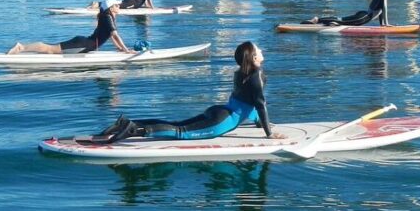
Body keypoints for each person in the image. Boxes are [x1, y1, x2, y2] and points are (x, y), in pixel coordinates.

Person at [97, 41, 286, 143]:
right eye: (258, 49)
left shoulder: (240, 73)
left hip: (219, 111)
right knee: (181, 132)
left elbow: (249, 104)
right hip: (222, 121)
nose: (262, 50)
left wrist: (260, 124)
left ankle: (126, 123)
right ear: (254, 57)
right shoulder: (257, 74)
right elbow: (259, 104)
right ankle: (134, 129)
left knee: (176, 124)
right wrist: (269, 134)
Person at [7, 0, 135, 54]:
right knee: (50, 50)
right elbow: (115, 35)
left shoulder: (107, 17)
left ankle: (23, 47)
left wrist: (120, 48)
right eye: (117, 5)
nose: (119, 6)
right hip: (84, 45)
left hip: (85, 43)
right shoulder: (107, 17)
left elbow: (111, 37)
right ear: (111, 8)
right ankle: (21, 47)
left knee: (51, 48)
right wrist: (126, 50)